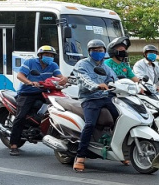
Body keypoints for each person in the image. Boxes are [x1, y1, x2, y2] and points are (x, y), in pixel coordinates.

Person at [8, 45, 67, 156]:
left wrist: (64, 80)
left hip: (45, 92)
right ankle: (14, 145)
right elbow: (20, 76)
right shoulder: (30, 62)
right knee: (20, 117)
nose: (49, 57)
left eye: (51, 55)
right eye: (47, 55)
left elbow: (59, 77)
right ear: (40, 56)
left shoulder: (53, 65)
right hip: (27, 93)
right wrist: (30, 82)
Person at [73, 39, 120, 172]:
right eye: (95, 50)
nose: (98, 53)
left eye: (100, 50)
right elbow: (84, 79)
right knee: (90, 124)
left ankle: (120, 150)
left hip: (106, 98)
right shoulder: (82, 64)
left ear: (104, 52)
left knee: (120, 120)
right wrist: (96, 86)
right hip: (90, 98)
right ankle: (80, 156)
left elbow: (115, 80)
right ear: (89, 52)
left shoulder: (106, 67)